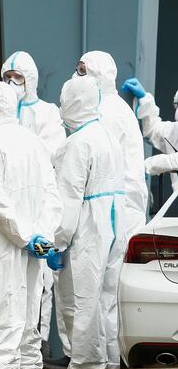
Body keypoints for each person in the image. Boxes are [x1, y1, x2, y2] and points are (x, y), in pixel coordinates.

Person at [0, 52, 68, 360]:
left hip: (3, 243)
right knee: (26, 321)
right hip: (34, 243)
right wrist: (42, 236)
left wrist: (24, 236)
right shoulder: (30, 142)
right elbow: (51, 194)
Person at [49, 75, 127, 369]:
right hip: (114, 224)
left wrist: (58, 243)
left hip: (89, 228)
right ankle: (108, 362)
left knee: (82, 299)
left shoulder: (77, 143)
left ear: (72, 102)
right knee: (105, 300)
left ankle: (86, 366)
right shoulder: (107, 136)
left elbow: (68, 201)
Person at [77, 52, 147, 244]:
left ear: (98, 75)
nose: (76, 76)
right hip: (116, 206)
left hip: (118, 209)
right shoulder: (108, 106)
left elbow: (96, 162)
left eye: (83, 71)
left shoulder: (108, 112)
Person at [120, 77, 178, 191]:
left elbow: (174, 160)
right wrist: (144, 99)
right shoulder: (175, 130)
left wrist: (148, 165)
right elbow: (154, 131)